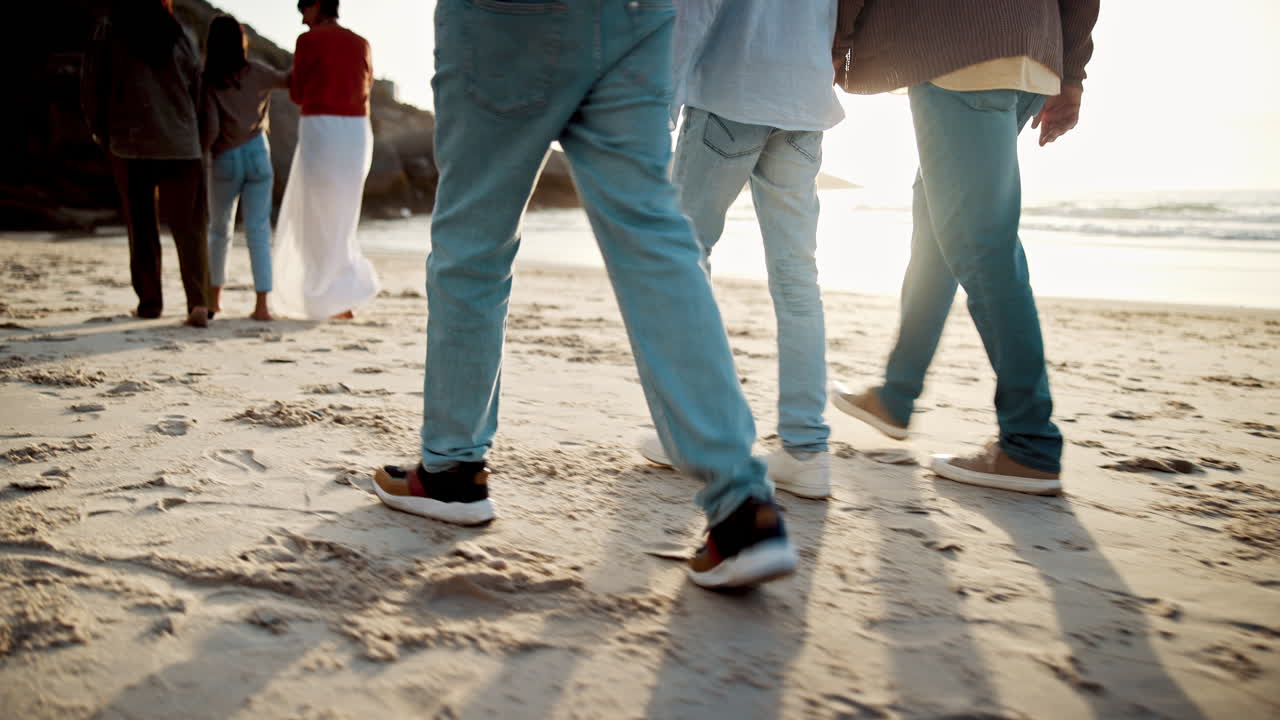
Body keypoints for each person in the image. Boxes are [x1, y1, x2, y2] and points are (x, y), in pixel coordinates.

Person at [370, 0, 797, 590]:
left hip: (508, 18)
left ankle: (452, 470)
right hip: (637, 13)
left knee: (474, 242)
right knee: (654, 238)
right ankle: (743, 507)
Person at [829, 0, 1100, 495]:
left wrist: (835, 43)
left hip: (959, 52)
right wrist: (1072, 74)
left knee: (984, 247)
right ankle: (896, 393)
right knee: (937, 221)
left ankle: (1030, 443)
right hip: (1030, 54)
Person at [638, 0, 843, 500]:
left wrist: (662, 100)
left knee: (684, 261)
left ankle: (694, 436)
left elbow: (694, 10)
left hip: (732, 89)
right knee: (798, 280)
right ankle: (806, 450)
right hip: (805, 100)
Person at [81, 0, 210, 328]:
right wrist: (195, 132)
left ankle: (150, 303)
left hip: (130, 142)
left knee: (141, 228)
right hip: (181, 142)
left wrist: (100, 131)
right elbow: (197, 86)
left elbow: (93, 83)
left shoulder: (111, 31)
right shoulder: (180, 33)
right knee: (190, 227)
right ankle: (197, 302)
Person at [271, 0, 378, 320]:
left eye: (303, 10)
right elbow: (367, 86)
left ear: (317, 5)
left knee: (316, 215)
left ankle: (323, 296)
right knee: (343, 216)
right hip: (357, 132)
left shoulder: (308, 40)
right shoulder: (361, 43)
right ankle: (342, 298)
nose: (302, 19)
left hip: (322, 127)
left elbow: (297, 93)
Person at [200, 15, 290, 322]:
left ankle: (214, 301)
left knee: (219, 230)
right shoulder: (257, 72)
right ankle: (262, 305)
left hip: (225, 157)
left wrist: (205, 153)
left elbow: (210, 128)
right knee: (258, 230)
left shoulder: (209, 79)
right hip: (258, 154)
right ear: (241, 42)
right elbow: (289, 80)